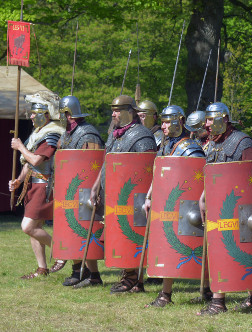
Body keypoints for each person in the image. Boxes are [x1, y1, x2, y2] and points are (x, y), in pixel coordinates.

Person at [198, 102, 252, 315]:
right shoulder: (214, 144)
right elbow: (213, 175)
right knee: (221, 250)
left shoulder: (243, 143)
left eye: (210, 119)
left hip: (239, 209)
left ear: (223, 119)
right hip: (219, 205)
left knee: (236, 249)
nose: (206, 124)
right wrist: (204, 196)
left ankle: (220, 302)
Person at [90, 95, 157, 294]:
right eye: (113, 110)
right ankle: (128, 275)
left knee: (132, 234)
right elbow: (106, 162)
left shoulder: (142, 135)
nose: (113, 114)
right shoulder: (114, 134)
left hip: (134, 197)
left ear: (130, 111)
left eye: (117, 110)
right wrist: (96, 186)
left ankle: (134, 279)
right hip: (114, 195)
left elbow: (147, 168)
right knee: (119, 233)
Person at [144, 105, 205, 308]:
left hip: (189, 208)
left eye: (167, 122)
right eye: (162, 121)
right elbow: (159, 171)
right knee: (169, 246)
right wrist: (150, 195)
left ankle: (207, 291)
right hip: (168, 206)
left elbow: (197, 179)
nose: (163, 126)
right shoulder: (165, 144)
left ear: (179, 122)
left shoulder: (190, 148)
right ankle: (165, 294)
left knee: (201, 248)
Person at [9, 99, 65, 279]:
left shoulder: (52, 134)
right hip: (33, 186)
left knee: (28, 226)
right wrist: (18, 181)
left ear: (46, 115)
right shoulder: (38, 134)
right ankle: (42, 269)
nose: (31, 116)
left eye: (35, 113)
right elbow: (28, 163)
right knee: (36, 228)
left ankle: (61, 251)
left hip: (45, 186)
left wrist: (20, 147)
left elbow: (35, 160)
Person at [56, 95, 105, 288]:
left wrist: (96, 190)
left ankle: (93, 274)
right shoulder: (67, 133)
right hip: (68, 191)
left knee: (84, 232)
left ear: (69, 115)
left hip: (86, 192)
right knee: (71, 231)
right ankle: (78, 271)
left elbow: (93, 166)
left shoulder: (88, 134)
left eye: (62, 114)